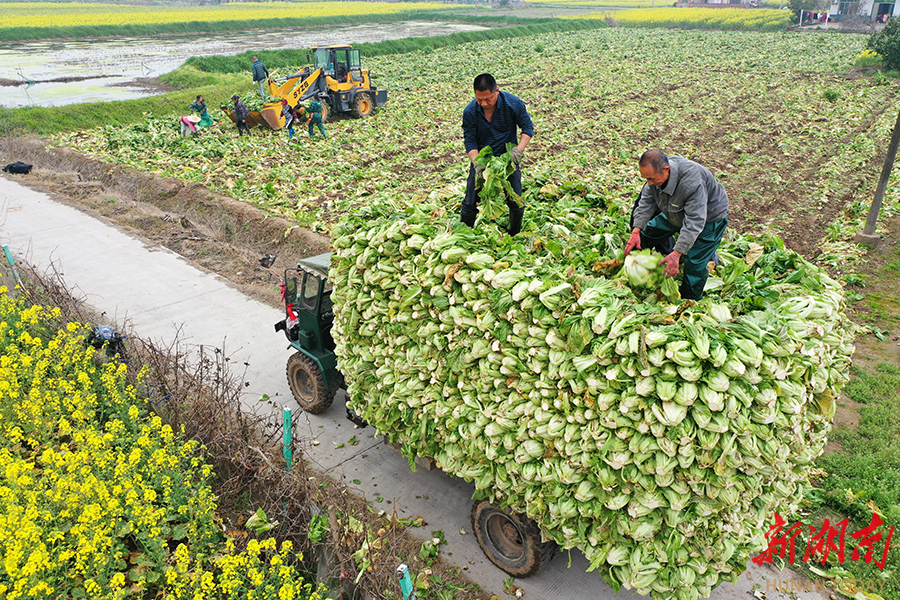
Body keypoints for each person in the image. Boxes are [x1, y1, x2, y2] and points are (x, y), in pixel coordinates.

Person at [625, 149, 729, 300]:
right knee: (648, 233)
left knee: (694, 261)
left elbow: (694, 222)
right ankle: (634, 267)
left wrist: (676, 254)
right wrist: (635, 232)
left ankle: (690, 300)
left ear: (666, 170)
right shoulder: (655, 177)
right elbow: (646, 203)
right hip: (675, 209)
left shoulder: (691, 183)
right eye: (646, 179)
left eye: (652, 179)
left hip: (709, 217)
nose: (649, 183)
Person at [461, 73, 533, 236]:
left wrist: (517, 151)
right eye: (480, 100)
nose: (484, 103)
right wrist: (477, 162)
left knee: (515, 200)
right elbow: (470, 141)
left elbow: (527, 128)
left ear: (497, 92)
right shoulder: (470, 111)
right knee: (470, 201)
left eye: (488, 99)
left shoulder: (513, 104)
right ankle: (464, 234)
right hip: (483, 160)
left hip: (507, 160)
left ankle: (514, 234)